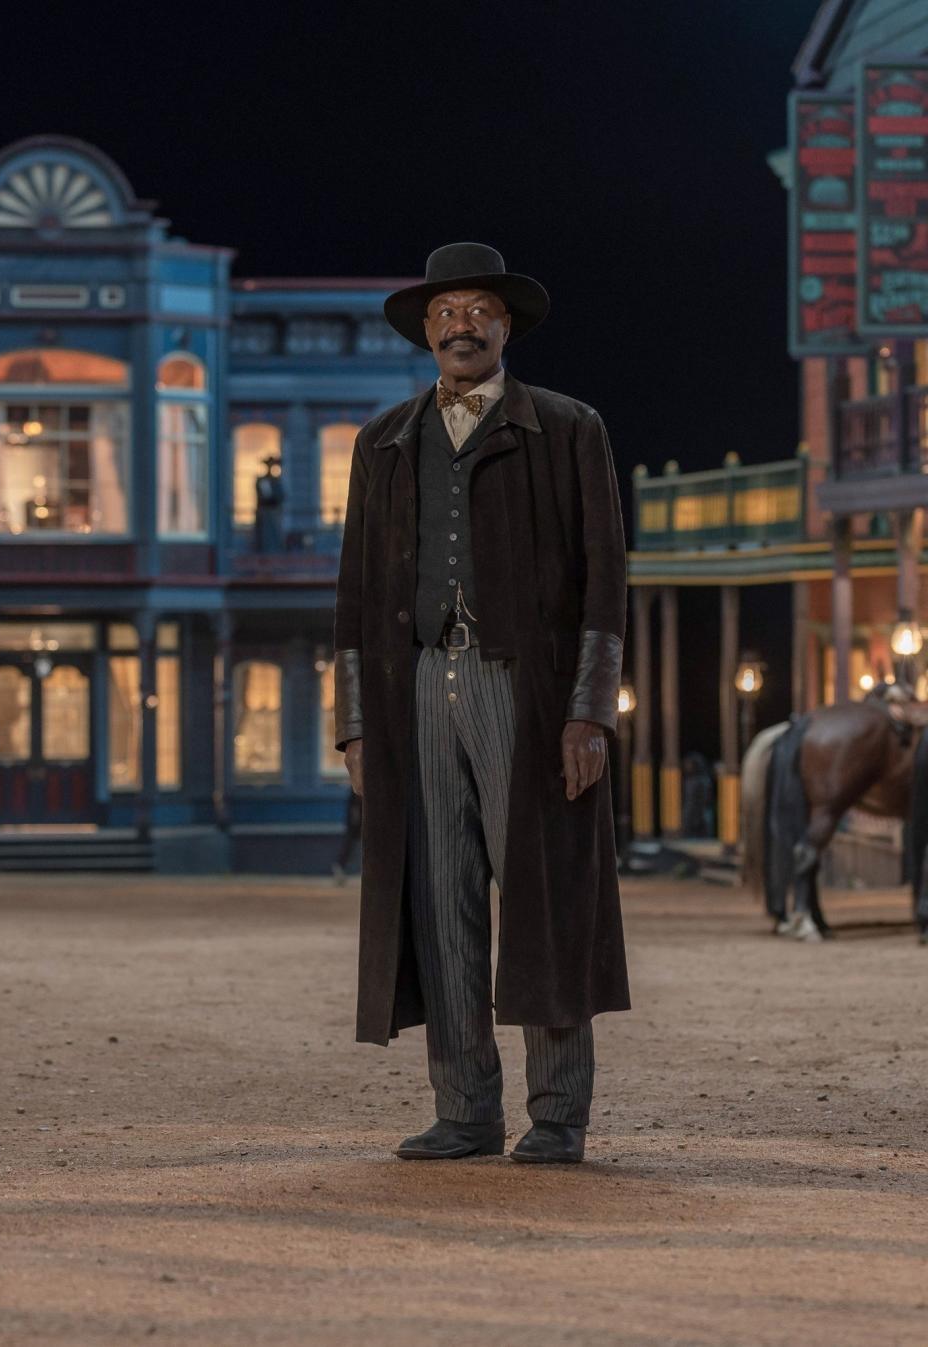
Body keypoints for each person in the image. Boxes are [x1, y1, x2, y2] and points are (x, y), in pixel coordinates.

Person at [333, 242, 629, 1164]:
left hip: (527, 691)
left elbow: (605, 585)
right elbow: (349, 596)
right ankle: (464, 1108)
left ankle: (556, 1114)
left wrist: (591, 711)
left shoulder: (569, 428)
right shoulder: (383, 441)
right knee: (439, 898)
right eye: (446, 311)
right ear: (427, 331)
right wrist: (351, 724)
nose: (462, 324)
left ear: (508, 326)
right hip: (417, 683)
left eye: (479, 309)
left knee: (542, 894)